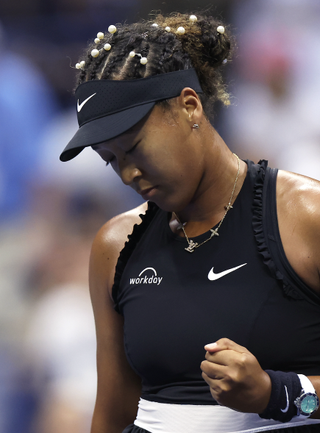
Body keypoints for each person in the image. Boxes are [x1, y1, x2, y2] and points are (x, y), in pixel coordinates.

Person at [59, 12, 320, 433]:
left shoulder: (308, 216)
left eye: (134, 148)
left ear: (189, 106)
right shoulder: (114, 244)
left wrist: (281, 393)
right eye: (111, 160)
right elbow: (112, 413)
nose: (128, 174)